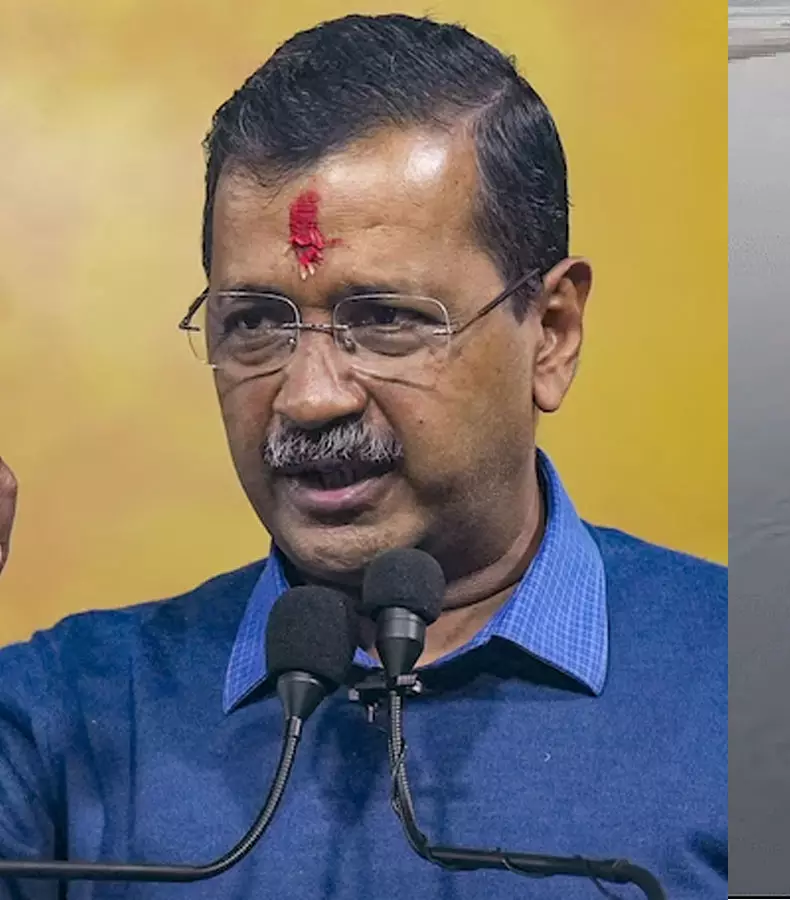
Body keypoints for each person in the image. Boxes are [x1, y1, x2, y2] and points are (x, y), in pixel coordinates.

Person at [0, 14, 725, 899]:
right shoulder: (70, 712)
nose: (310, 396)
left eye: (386, 319)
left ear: (553, 334)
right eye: (256, 322)